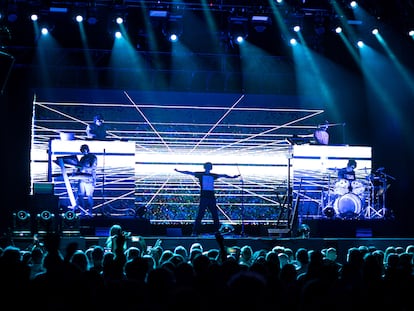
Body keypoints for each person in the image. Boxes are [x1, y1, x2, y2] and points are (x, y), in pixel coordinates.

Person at [174, 162, 240, 236]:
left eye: (210, 166)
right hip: (204, 197)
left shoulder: (213, 175)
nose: (209, 168)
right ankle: (195, 231)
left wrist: (233, 177)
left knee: (214, 215)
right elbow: (189, 172)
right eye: (208, 166)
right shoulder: (200, 174)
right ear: (205, 167)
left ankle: (216, 231)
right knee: (200, 215)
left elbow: (224, 175)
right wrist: (179, 171)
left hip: (211, 197)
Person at [76, 144, 97, 216]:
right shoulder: (82, 158)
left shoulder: (93, 157)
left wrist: (83, 168)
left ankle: (90, 211)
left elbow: (92, 167)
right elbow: (78, 168)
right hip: (82, 179)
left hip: (89, 180)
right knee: (80, 195)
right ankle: (82, 211)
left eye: (83, 151)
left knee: (89, 196)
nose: (83, 152)